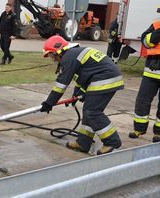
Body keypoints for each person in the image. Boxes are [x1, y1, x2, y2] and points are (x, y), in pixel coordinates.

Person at [40, 35, 123, 155]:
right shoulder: (74, 53)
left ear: (59, 51)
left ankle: (112, 142)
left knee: (92, 112)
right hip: (104, 77)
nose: (54, 59)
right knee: (88, 111)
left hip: (105, 79)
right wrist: (76, 95)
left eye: (52, 55)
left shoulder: (68, 57)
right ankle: (83, 143)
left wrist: (49, 102)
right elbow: (82, 77)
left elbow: (61, 84)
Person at [129, 7, 160, 143]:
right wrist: (157, 34)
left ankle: (158, 133)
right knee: (142, 100)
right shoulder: (156, 25)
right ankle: (139, 129)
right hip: (152, 71)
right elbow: (145, 42)